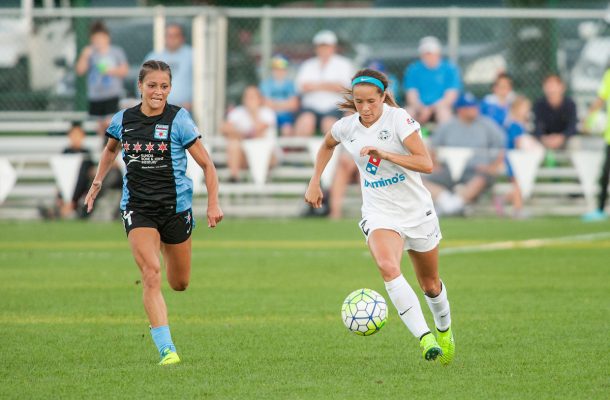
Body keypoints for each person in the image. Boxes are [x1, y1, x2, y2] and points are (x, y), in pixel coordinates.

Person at [305, 68, 455, 364]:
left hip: (416, 211)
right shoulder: (347, 127)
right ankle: (425, 339)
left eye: (371, 101)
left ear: (383, 97)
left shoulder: (399, 120)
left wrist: (386, 154)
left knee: (431, 284)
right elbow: (326, 144)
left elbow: (426, 163)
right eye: (359, 102)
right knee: (388, 266)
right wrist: (314, 180)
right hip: (379, 212)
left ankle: (444, 330)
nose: (365, 108)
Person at [83, 60, 223, 366]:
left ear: (170, 89)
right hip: (138, 209)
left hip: (176, 210)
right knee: (151, 274)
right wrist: (96, 183)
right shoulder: (124, 120)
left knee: (179, 283)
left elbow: (207, 165)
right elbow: (109, 150)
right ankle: (166, 348)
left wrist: (213, 203)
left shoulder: (179, 120)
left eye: (164, 86)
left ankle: (164, 241)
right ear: (140, 87)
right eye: (152, 85)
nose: (158, 92)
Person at [423, 93, 506, 216]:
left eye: (474, 106)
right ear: (461, 110)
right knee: (421, 180)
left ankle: (451, 207)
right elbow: (431, 147)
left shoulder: (487, 124)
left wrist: (492, 167)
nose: (474, 110)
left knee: (481, 179)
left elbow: (501, 147)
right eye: (470, 107)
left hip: (477, 170)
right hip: (449, 170)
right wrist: (434, 164)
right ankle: (449, 203)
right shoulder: (448, 125)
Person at [293, 30, 354, 136]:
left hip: (334, 108)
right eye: (321, 46)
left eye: (327, 46)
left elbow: (345, 88)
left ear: (333, 47)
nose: (324, 49)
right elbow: (301, 87)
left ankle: (330, 153)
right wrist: (330, 85)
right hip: (310, 107)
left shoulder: (344, 64)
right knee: (305, 122)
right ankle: (300, 152)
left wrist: (315, 85)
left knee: (329, 124)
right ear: (316, 48)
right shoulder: (308, 64)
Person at [75, 20, 129, 139]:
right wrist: (84, 55)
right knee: (99, 126)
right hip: (96, 96)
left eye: (101, 39)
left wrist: (111, 71)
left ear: (107, 38)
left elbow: (124, 70)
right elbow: (80, 70)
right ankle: (103, 149)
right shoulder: (91, 53)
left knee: (110, 123)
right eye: (95, 39)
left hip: (112, 94)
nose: (98, 42)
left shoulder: (115, 52)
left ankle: (112, 147)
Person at [221, 85, 277, 183]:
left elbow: (258, 131)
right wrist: (242, 135)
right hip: (245, 155)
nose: (249, 100)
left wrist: (253, 112)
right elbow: (224, 128)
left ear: (260, 99)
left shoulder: (267, 112)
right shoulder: (238, 112)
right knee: (233, 143)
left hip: (267, 155)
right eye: (247, 97)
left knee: (235, 140)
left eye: (252, 97)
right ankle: (234, 178)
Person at [39, 123, 94, 220]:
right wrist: (61, 196)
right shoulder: (65, 153)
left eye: (78, 135)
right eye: (73, 135)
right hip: (66, 192)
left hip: (82, 193)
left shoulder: (87, 154)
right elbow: (62, 176)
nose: (76, 138)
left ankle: (70, 207)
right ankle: (63, 207)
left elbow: (86, 178)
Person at [403, 36, 461, 125]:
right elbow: (411, 96)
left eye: (431, 53)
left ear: (438, 54)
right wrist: (421, 108)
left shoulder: (450, 69)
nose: (428, 56)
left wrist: (430, 109)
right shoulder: (413, 69)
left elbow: (450, 97)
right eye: (426, 54)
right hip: (419, 107)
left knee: (444, 114)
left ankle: (442, 138)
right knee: (407, 113)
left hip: (441, 107)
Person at [582, 67, 610, 222]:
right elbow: (600, 99)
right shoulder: (608, 75)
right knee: (605, 174)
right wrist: (588, 117)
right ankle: (600, 209)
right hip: (609, 137)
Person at [143, 23, 193, 110]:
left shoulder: (193, 55)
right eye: (169, 35)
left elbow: (203, 82)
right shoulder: (154, 57)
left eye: (175, 35)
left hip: (186, 109)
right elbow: (143, 82)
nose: (172, 39)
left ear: (182, 38)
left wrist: (194, 102)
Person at [533, 74, 577, 154]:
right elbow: (537, 126)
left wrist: (562, 137)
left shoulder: (570, 104)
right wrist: (544, 138)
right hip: (545, 140)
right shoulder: (539, 104)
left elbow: (572, 127)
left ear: (562, 87)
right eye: (548, 85)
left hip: (564, 139)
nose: (551, 89)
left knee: (575, 143)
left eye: (554, 85)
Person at [259, 54, 299, 137]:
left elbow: (294, 105)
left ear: (286, 70)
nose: (279, 71)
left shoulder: (290, 84)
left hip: (286, 116)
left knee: (287, 129)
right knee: (267, 128)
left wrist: (274, 104)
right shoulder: (266, 84)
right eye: (276, 69)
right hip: (270, 115)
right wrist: (285, 104)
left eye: (282, 69)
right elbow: (265, 104)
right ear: (272, 70)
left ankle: (286, 149)